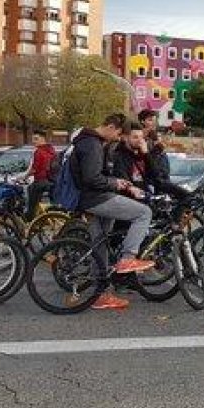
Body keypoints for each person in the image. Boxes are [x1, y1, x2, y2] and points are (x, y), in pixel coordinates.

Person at [70, 113, 157, 311]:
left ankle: (100, 295)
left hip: (89, 198)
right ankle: (127, 258)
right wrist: (115, 183)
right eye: (118, 134)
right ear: (110, 127)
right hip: (96, 198)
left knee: (99, 245)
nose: (118, 138)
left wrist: (119, 183)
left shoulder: (89, 141)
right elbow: (92, 178)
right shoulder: (92, 145)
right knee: (143, 213)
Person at [24, 129, 58, 221]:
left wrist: (24, 177)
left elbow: (34, 169)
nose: (34, 141)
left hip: (40, 181)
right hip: (51, 180)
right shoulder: (52, 150)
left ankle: (29, 219)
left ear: (43, 139)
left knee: (31, 199)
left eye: (36, 139)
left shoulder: (38, 152)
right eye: (33, 139)